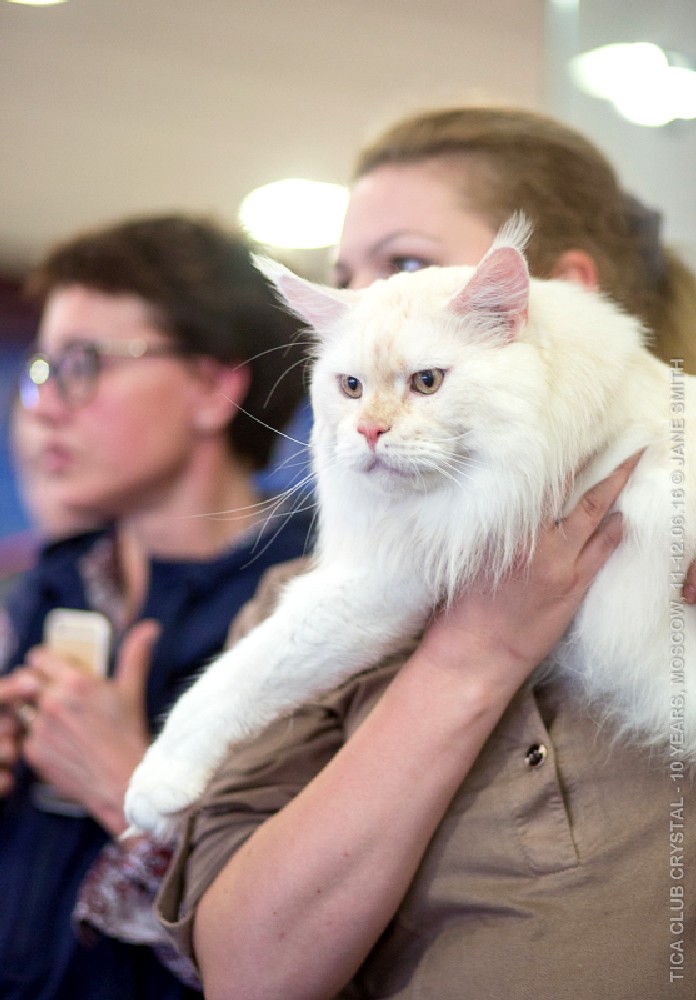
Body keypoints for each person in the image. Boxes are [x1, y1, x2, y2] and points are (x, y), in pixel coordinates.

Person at [152, 107, 696, 1000]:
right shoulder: (290, 603)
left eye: (403, 266)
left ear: (547, 295)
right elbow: (249, 975)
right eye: (343, 281)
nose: (364, 307)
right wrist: (478, 646)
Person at [0, 213, 310, 1000]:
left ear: (212, 387)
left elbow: (316, 943)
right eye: (43, 368)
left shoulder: (316, 601)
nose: (44, 405)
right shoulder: (58, 584)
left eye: (84, 364)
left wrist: (127, 786)